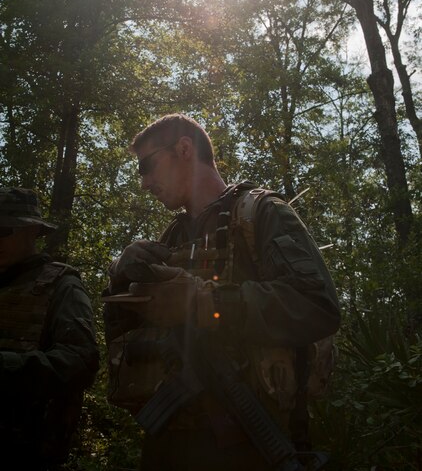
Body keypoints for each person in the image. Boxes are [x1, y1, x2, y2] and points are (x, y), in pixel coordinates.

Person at [103, 113, 341, 471]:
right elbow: (127, 339)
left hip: (248, 442)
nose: (144, 182)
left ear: (184, 149)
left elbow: (317, 305)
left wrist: (204, 302)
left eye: (147, 167)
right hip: (169, 442)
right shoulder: (171, 239)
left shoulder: (260, 213)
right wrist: (121, 279)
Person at [0, 187, 100, 470]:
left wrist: (7, 367)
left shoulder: (61, 285)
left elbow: (82, 361)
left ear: (31, 232)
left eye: (5, 231)